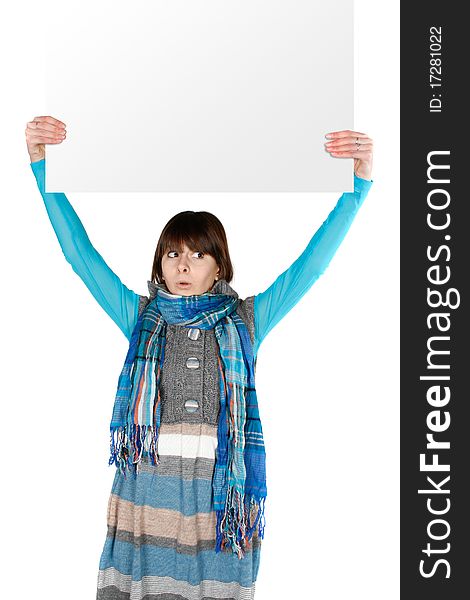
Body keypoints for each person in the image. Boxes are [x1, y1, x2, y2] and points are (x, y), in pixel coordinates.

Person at [25, 115, 373, 600]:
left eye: (196, 255)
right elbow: (78, 253)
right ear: (159, 264)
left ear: (219, 267)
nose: (182, 265)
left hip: (219, 491)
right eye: (171, 254)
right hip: (149, 491)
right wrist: (42, 166)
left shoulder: (246, 320)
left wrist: (359, 184)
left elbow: (310, 266)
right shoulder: (142, 317)